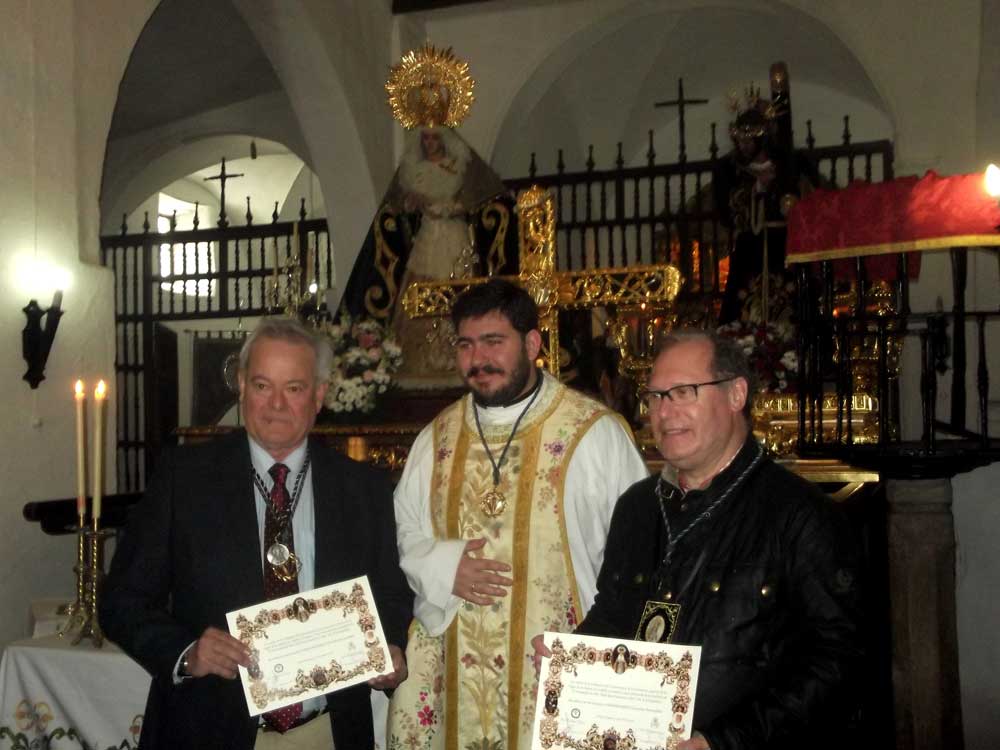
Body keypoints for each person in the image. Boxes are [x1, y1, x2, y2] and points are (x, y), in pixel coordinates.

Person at [538, 328, 862, 750]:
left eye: (684, 392)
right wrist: (571, 657)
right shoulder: (637, 508)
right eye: (655, 396)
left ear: (736, 394)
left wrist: (723, 741)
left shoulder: (798, 514)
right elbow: (615, 613)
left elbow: (837, 661)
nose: (664, 412)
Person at [100, 316, 414, 749]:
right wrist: (187, 651)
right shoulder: (185, 479)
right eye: (263, 385)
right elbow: (121, 599)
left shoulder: (363, 488)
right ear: (243, 387)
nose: (276, 405)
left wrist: (391, 648)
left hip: (328, 732)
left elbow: (392, 595)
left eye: (294, 388)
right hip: (208, 731)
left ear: (320, 395)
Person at [386, 279, 649, 750]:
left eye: (493, 342)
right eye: (466, 345)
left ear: (532, 343)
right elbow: (405, 531)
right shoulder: (437, 438)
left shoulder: (596, 433)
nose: (477, 359)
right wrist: (445, 567)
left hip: (560, 663)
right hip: (453, 666)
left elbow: (640, 553)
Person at [713, 104, 818, 324]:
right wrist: (756, 187)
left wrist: (789, 201)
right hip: (749, 248)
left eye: (749, 140)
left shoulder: (791, 164)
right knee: (744, 304)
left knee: (789, 301)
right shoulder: (729, 169)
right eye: (740, 140)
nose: (743, 145)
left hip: (785, 246)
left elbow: (812, 201)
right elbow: (726, 211)